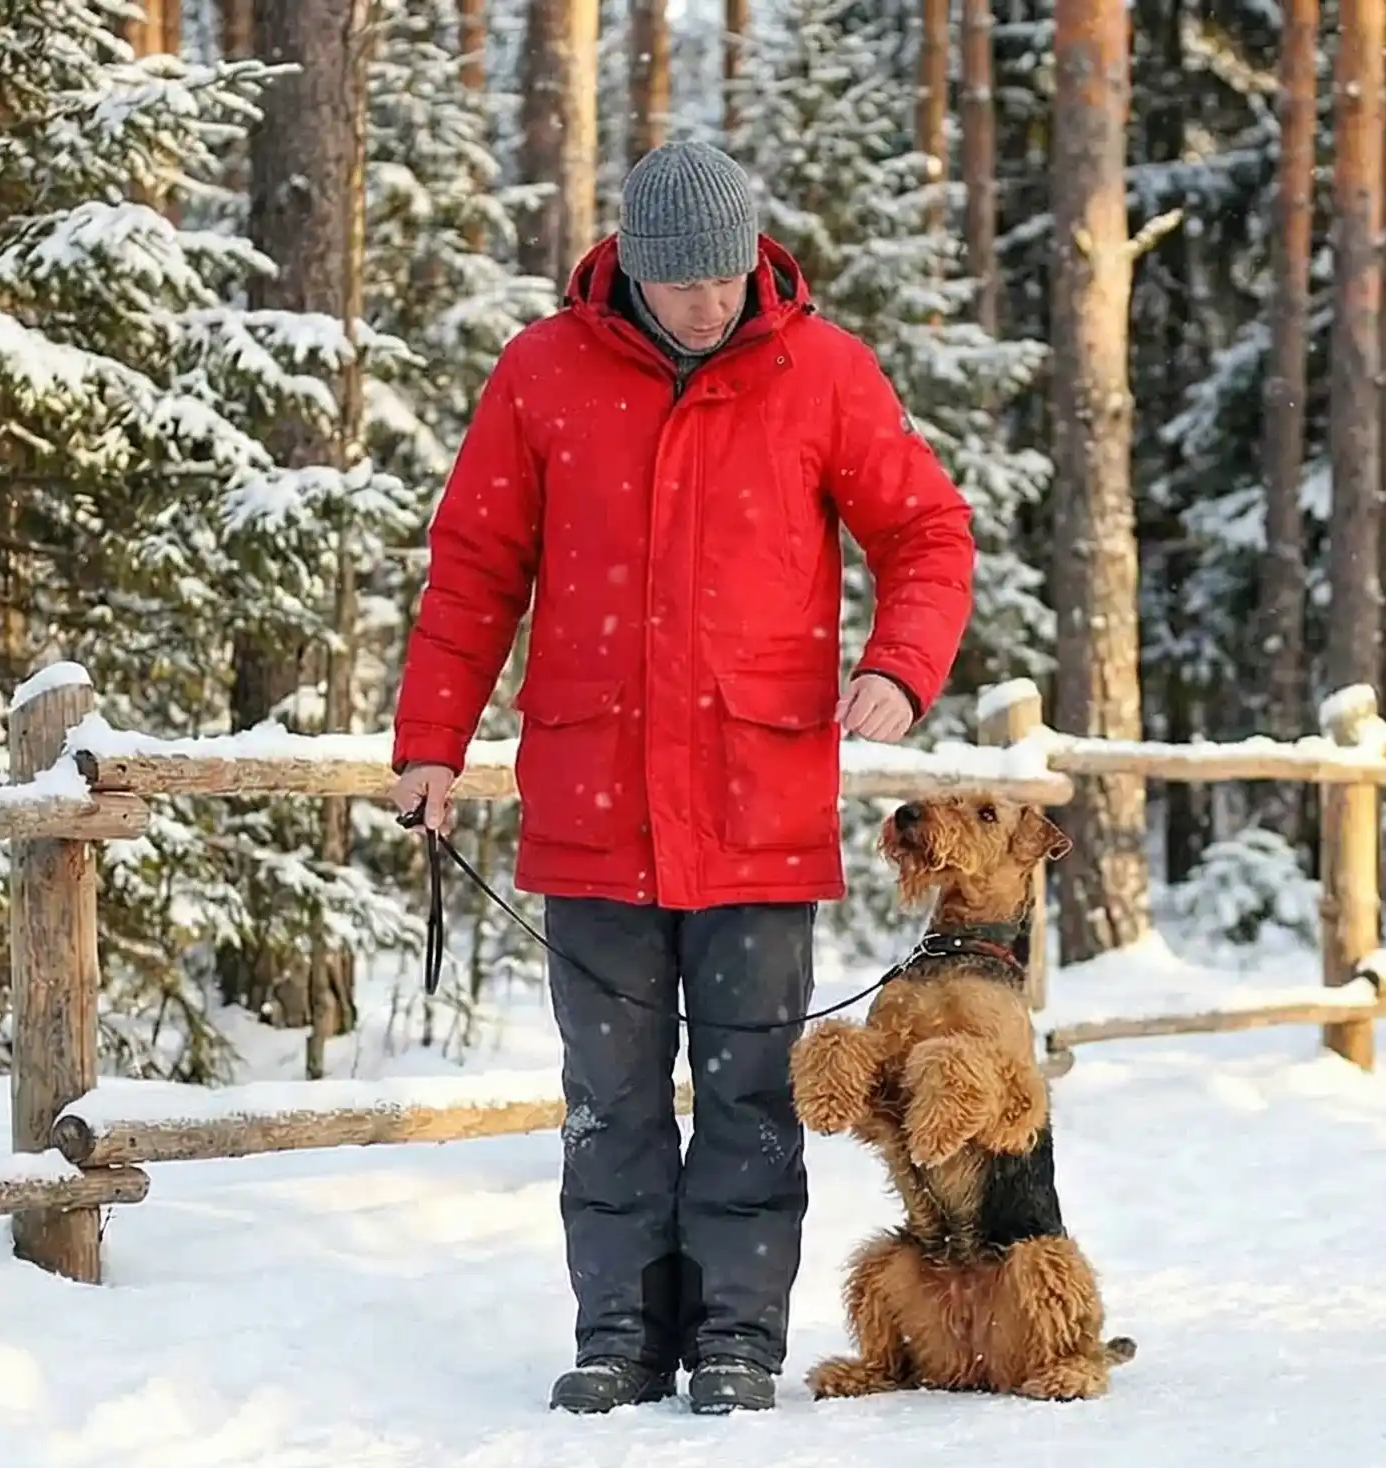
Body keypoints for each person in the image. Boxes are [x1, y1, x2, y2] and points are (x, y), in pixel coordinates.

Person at [387, 140, 977, 1416]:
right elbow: (473, 568)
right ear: (630, 271)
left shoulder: (819, 370)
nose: (707, 303)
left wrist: (900, 664)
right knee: (608, 1098)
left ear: (753, 259)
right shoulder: (542, 375)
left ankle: (734, 1338)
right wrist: (430, 742)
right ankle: (615, 1336)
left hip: (755, 805)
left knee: (748, 1092)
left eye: (723, 278)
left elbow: (927, 529)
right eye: (680, 283)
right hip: (590, 804)